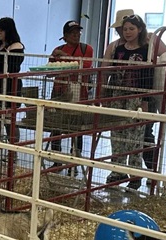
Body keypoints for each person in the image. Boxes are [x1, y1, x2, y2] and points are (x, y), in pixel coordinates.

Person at [102, 13, 159, 189]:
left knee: (135, 134)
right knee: (117, 133)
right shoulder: (118, 49)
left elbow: (148, 76)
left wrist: (146, 100)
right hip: (118, 94)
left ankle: (135, 173)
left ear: (139, 29)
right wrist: (106, 93)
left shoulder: (146, 49)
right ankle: (117, 170)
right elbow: (109, 71)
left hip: (136, 95)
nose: (127, 32)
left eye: (131, 29)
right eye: (125, 29)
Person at [48, 20, 94, 158]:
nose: (76, 35)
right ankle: (56, 157)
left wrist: (65, 58)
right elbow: (51, 70)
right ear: (65, 35)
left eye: (78, 32)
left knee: (76, 127)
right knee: (56, 126)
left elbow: (85, 66)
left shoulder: (87, 49)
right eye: (72, 33)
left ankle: (75, 156)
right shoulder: (58, 49)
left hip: (78, 93)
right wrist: (55, 58)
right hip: (59, 90)